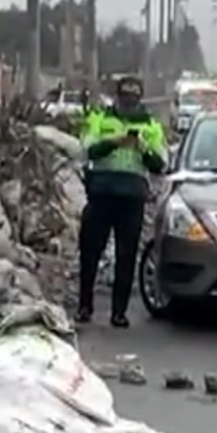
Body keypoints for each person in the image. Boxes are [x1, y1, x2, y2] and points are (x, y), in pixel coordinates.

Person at [77, 76, 167, 327]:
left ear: (140, 98)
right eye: (125, 97)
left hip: (132, 197)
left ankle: (119, 312)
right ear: (118, 96)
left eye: (134, 98)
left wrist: (143, 148)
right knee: (90, 252)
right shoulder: (100, 118)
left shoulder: (151, 126)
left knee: (126, 256)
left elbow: (160, 164)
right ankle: (85, 306)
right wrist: (114, 142)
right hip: (101, 193)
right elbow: (87, 150)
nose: (129, 102)